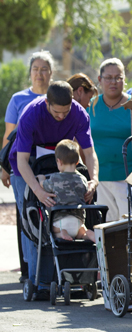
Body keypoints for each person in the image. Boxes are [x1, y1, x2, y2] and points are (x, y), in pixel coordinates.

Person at [9, 81, 99, 299]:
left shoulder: (78, 114)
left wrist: (93, 179)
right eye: (57, 112)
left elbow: (89, 153)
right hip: (29, 163)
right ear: (47, 103)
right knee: (33, 215)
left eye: (65, 112)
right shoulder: (31, 114)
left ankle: (74, 277)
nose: (61, 117)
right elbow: (21, 162)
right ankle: (38, 280)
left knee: (69, 211)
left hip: (62, 161)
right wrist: (38, 191)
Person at [2, 51, 55, 283]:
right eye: (35, 69)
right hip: (21, 165)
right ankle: (30, 274)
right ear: (30, 72)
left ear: (51, 73)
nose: (40, 73)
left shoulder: (59, 96)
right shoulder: (18, 99)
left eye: (44, 69)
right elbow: (8, 136)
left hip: (52, 165)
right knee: (27, 218)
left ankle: (52, 273)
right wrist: (4, 166)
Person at [88, 58, 132, 222]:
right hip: (100, 179)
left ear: (124, 80)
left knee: (130, 228)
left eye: (118, 77)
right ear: (100, 80)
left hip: (128, 178)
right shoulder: (91, 106)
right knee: (107, 230)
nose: (113, 82)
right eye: (108, 77)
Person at [37, 139, 94, 242]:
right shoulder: (82, 179)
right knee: (81, 233)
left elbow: (43, 185)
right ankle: (88, 234)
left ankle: (62, 233)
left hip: (60, 221)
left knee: (51, 233)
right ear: (77, 162)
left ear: (59, 161)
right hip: (78, 222)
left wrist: (41, 178)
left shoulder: (55, 179)